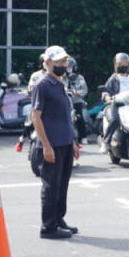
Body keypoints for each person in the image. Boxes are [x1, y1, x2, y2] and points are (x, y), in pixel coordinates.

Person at [30, 46, 79, 239]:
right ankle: (48, 226)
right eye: (58, 62)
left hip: (65, 142)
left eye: (64, 62)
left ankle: (59, 219)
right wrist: (46, 145)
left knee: (62, 184)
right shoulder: (42, 85)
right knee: (51, 186)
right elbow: (36, 117)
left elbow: (65, 117)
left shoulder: (60, 83)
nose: (62, 65)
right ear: (47, 63)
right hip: (52, 144)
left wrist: (72, 142)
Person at [100, 53, 129, 151]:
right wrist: (107, 97)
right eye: (121, 64)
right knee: (114, 120)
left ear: (128, 64)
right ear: (116, 65)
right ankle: (106, 142)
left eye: (125, 64)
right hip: (117, 105)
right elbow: (105, 90)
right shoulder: (113, 78)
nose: (123, 66)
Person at [67, 57, 89, 146]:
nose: (69, 68)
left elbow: (84, 90)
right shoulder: (62, 77)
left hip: (76, 101)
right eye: (67, 66)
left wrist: (80, 93)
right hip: (66, 101)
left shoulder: (80, 78)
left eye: (70, 66)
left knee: (80, 117)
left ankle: (83, 137)